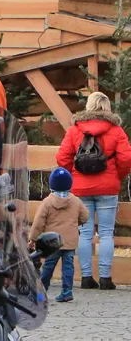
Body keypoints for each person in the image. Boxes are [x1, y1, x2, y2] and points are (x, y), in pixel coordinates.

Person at [56, 91, 131, 291]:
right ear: (106, 107)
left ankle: (87, 277)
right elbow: (125, 159)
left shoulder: (75, 130)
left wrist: (74, 176)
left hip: (80, 188)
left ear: (89, 106)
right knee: (106, 233)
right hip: (108, 187)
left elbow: (62, 157)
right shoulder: (116, 130)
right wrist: (116, 177)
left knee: (85, 233)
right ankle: (106, 278)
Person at [31, 168, 87, 303]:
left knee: (48, 267)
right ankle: (67, 291)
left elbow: (39, 221)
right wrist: (74, 223)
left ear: (52, 185)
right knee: (68, 266)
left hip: (52, 242)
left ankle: (41, 292)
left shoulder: (47, 202)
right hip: (70, 240)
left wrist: (32, 238)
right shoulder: (76, 201)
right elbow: (85, 216)